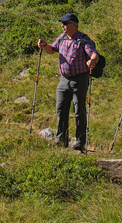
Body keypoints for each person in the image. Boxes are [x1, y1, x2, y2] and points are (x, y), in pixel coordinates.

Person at [37, 12, 100, 151]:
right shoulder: (62, 38)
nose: (62, 26)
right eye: (62, 23)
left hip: (80, 79)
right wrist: (44, 45)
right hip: (64, 79)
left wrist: (92, 61)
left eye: (65, 23)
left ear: (73, 25)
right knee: (61, 109)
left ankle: (80, 141)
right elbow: (52, 50)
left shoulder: (83, 39)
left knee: (79, 110)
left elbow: (94, 53)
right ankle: (62, 139)